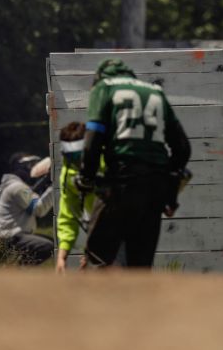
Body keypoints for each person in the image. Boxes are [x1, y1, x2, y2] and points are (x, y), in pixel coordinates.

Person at [75, 59, 191, 269]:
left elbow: (93, 140)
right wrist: (169, 183)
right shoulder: (155, 91)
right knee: (140, 266)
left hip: (121, 181)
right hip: (155, 187)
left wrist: (86, 177)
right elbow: (183, 148)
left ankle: (92, 300)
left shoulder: (104, 87)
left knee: (96, 257)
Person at [0, 153, 56, 266]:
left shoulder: (14, 186)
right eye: (28, 166)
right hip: (8, 237)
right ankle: (16, 274)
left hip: (4, 237)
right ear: (20, 167)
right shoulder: (17, 187)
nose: (31, 169)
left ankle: (14, 274)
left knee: (51, 244)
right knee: (46, 246)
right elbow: (39, 209)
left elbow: (34, 199)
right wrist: (55, 186)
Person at [54, 121, 101, 272]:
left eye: (79, 156)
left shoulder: (109, 163)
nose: (77, 163)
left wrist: (91, 249)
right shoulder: (69, 175)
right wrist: (62, 255)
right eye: (71, 157)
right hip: (99, 233)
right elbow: (68, 215)